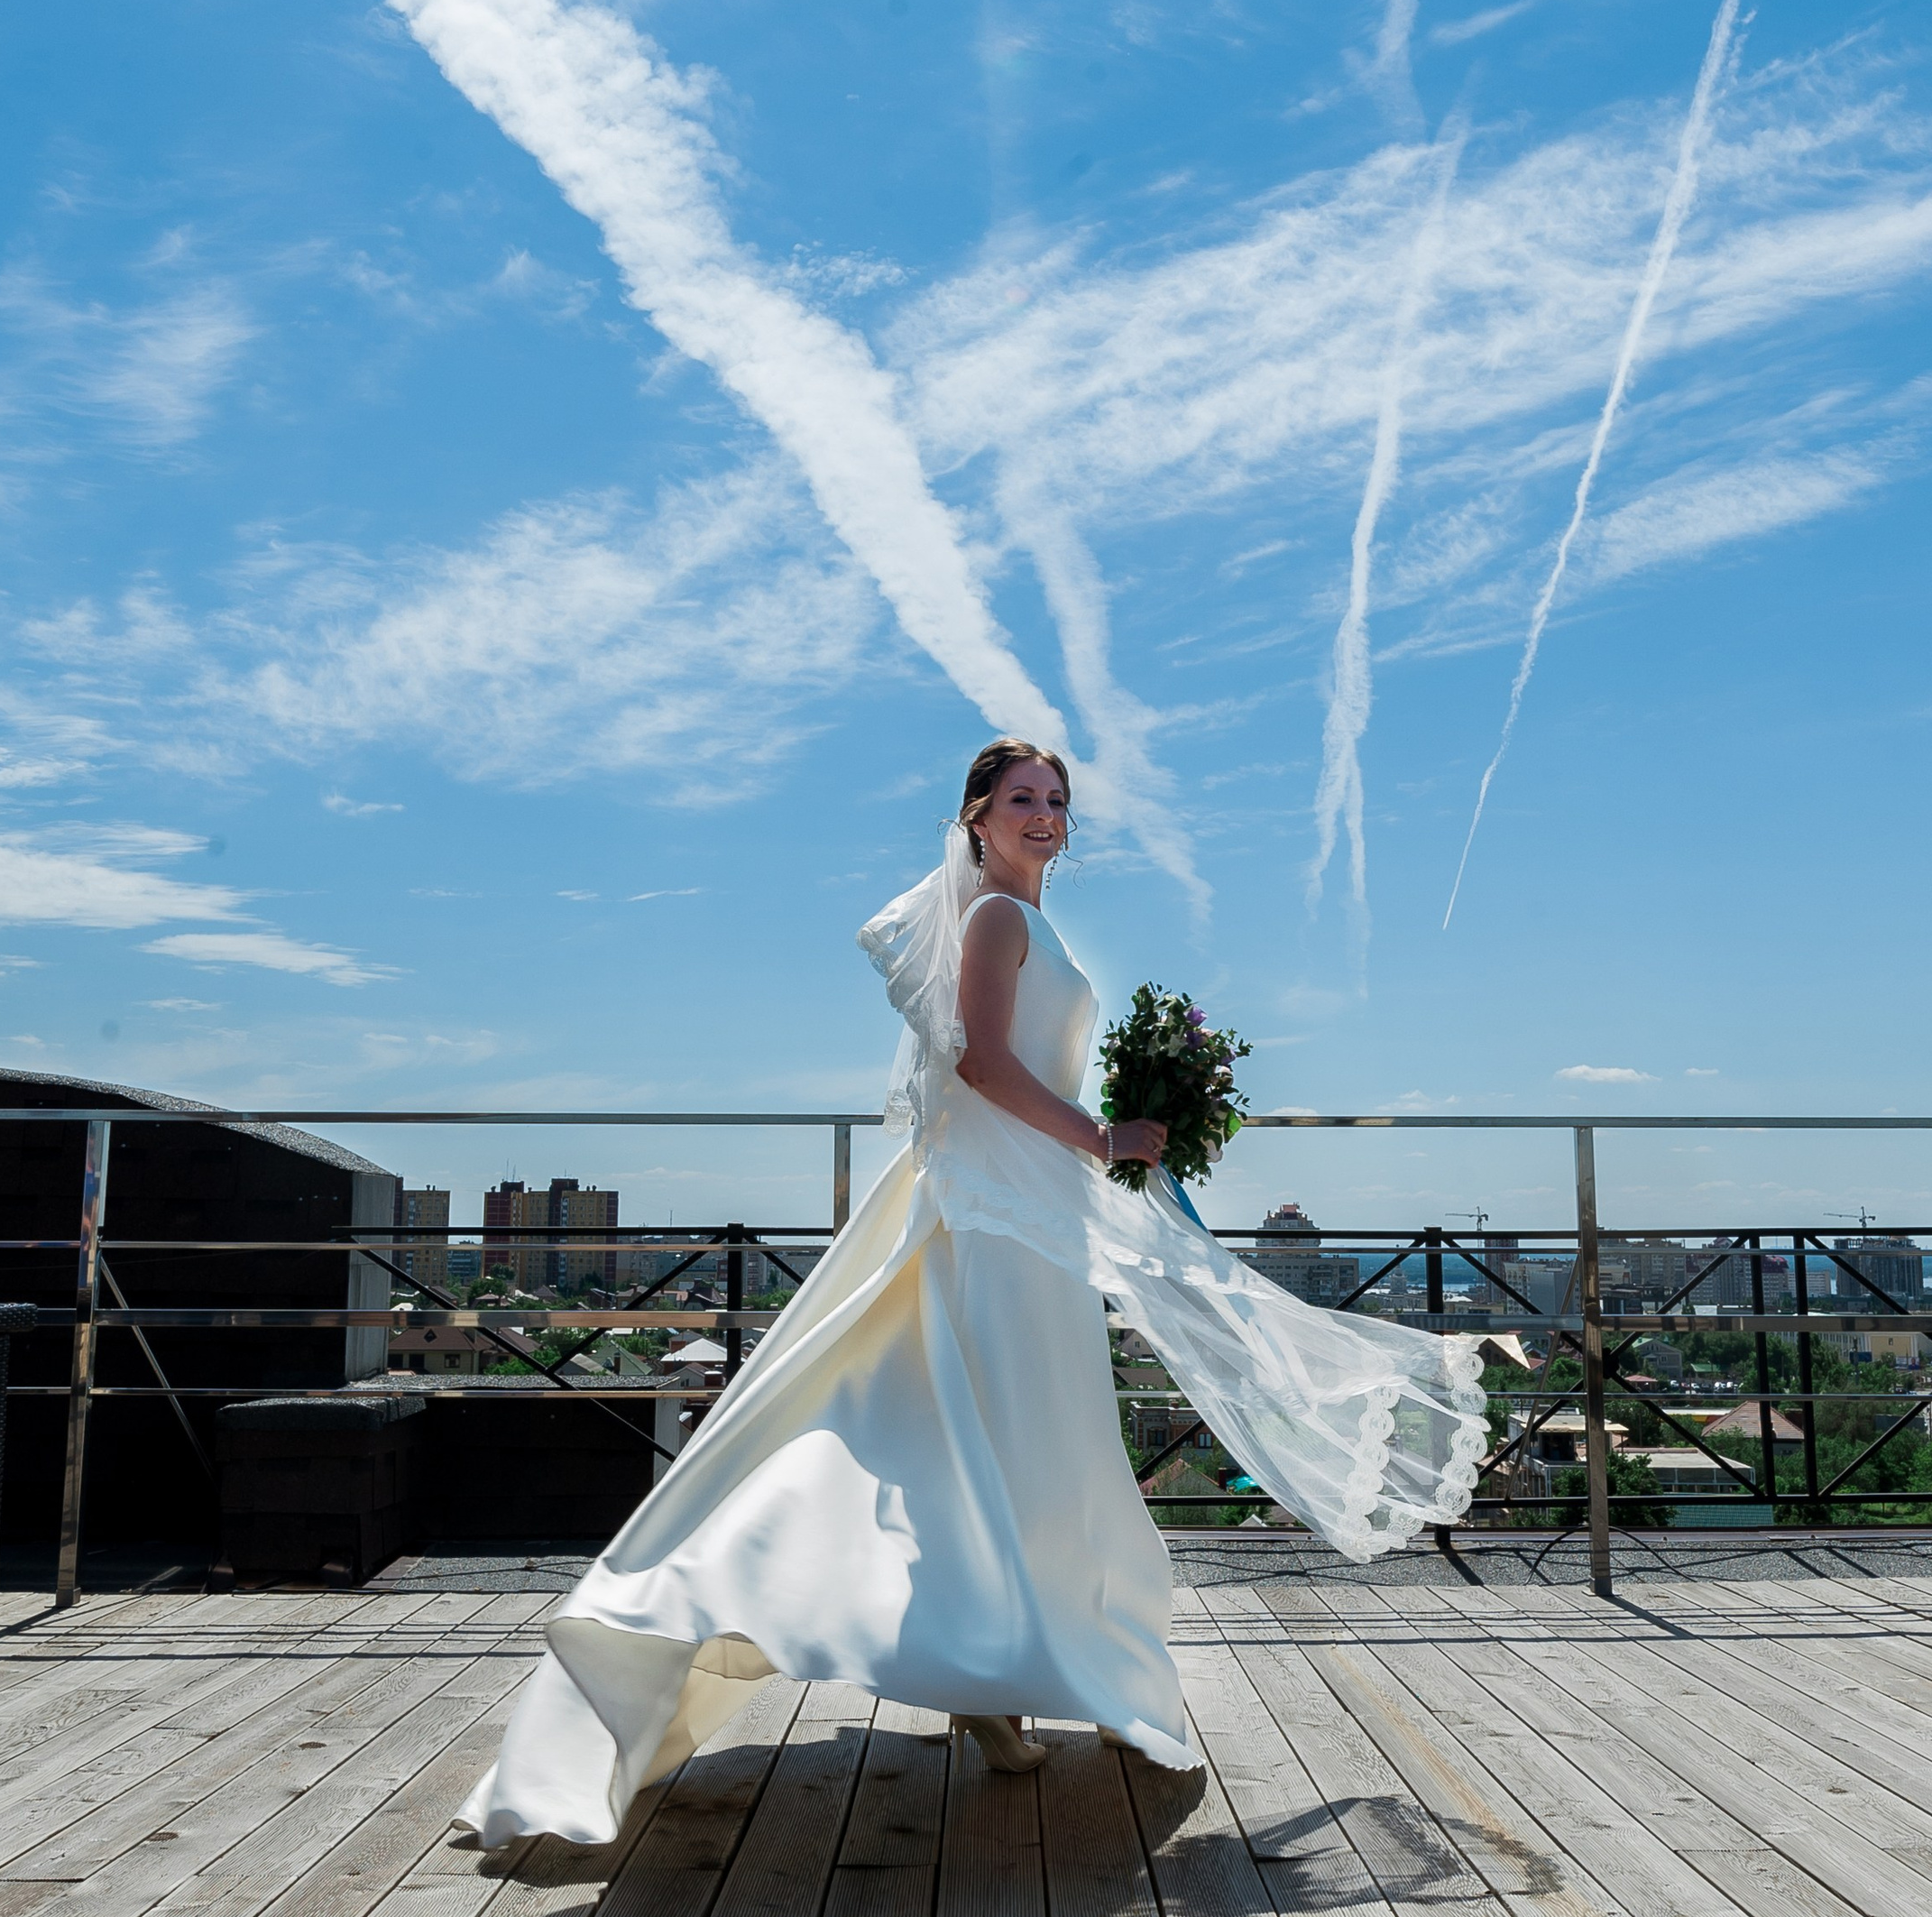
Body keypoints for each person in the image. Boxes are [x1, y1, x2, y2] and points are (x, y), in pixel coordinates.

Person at [457, 740, 1487, 1846]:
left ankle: (1011, 1682)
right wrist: (1102, 1133)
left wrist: (1127, 1124)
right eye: (1022, 801)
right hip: (995, 1224)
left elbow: (1015, 1074)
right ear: (976, 818)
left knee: (1015, 1448)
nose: (1045, 816)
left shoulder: (1027, 924)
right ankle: (1017, 1681)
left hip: (1025, 1212)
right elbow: (980, 1068)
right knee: (1020, 1446)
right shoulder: (998, 919)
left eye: (1057, 801)